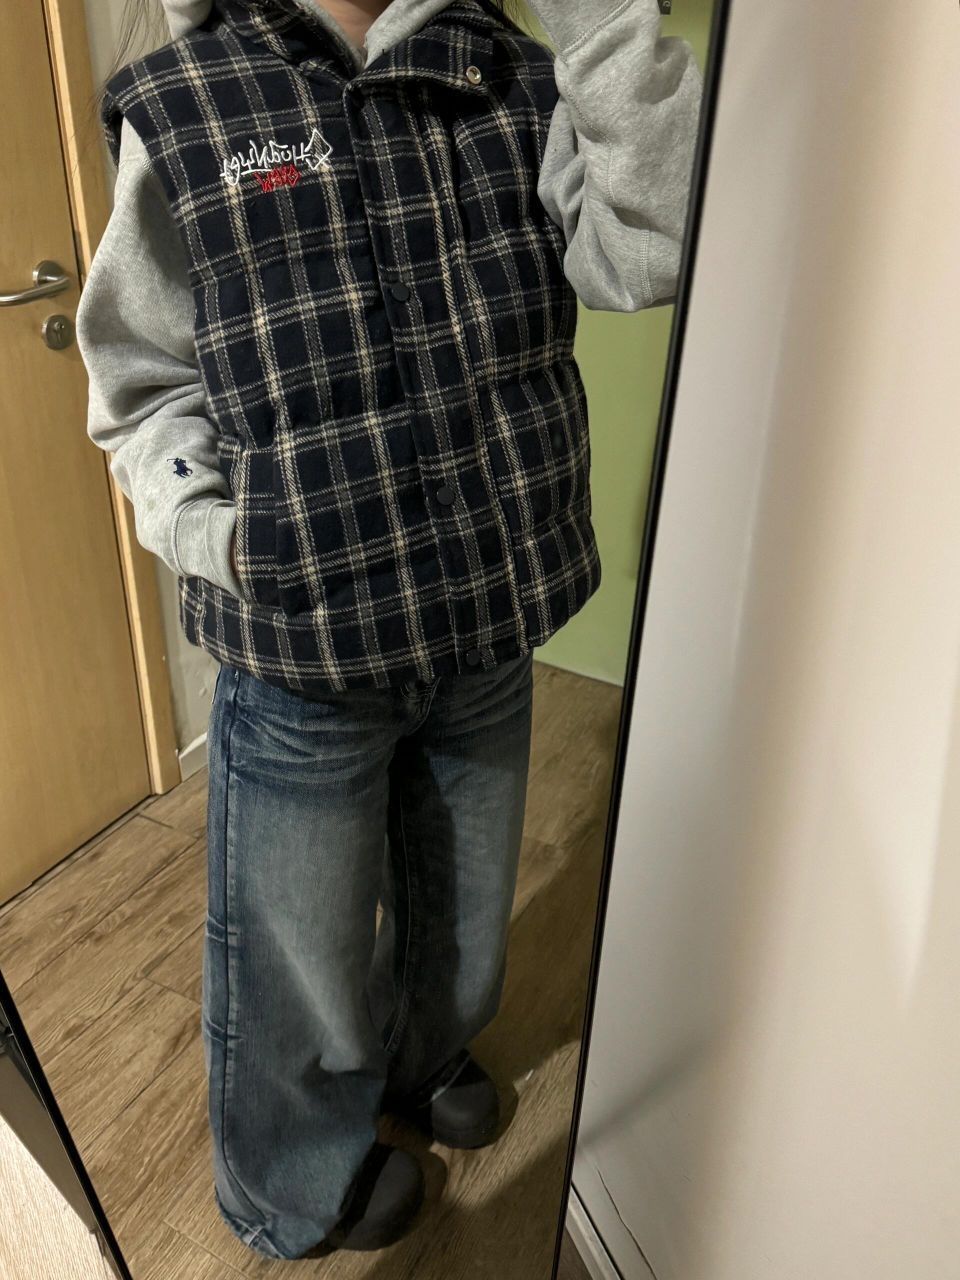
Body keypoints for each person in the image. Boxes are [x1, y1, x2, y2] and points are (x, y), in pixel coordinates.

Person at [77, 0, 702, 1260]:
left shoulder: (513, 75)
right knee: (295, 949)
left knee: (464, 918)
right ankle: (289, 1179)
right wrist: (219, 534)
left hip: (484, 615)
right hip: (302, 645)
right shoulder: (190, 101)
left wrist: (597, 22)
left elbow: (649, 250)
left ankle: (424, 1055)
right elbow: (141, 375)